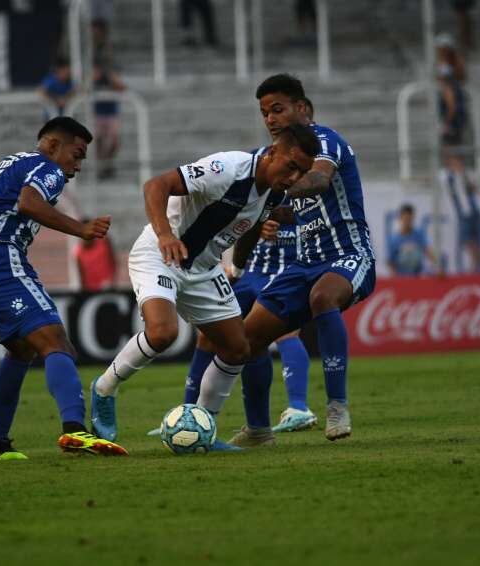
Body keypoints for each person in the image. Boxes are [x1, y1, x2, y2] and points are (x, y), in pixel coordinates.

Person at [88, 124, 321, 449]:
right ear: (271, 152)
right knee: (162, 333)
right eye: (291, 166)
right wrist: (165, 234)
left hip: (203, 269)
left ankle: (202, 429)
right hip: (161, 253)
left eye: (303, 172)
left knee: (238, 348)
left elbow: (251, 229)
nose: (295, 177)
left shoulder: (276, 192)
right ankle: (104, 387)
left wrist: (237, 268)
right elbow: (157, 185)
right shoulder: (228, 168)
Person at [0, 116, 128, 459]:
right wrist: (81, 229)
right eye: (77, 154)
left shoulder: (4, 168)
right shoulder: (46, 167)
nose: (78, 166)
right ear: (54, 145)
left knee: (22, 349)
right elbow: (28, 204)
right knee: (55, 341)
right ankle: (75, 431)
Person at [227, 74, 376, 447]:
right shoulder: (276, 159)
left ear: (303, 109)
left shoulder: (326, 140)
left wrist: (276, 191)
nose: (270, 119)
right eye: (264, 113)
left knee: (323, 298)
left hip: (349, 256)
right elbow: (261, 218)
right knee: (249, 337)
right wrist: (240, 264)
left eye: (278, 109)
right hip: (301, 267)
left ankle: (337, 406)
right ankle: (259, 430)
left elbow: (320, 180)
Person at [440, 153, 480, 272]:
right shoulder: (446, 175)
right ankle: (479, 263)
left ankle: (478, 264)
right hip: (462, 213)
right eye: (454, 163)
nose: (458, 165)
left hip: (474, 210)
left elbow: (475, 190)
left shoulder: (466, 174)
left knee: (475, 240)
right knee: (467, 240)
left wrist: (467, 181)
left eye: (459, 162)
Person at [92, 61, 125, 180]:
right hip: (98, 115)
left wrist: (113, 79)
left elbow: (122, 88)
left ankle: (108, 163)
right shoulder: (91, 80)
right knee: (98, 141)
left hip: (111, 114)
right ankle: (101, 166)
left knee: (114, 142)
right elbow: (82, 90)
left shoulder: (110, 78)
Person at [387, 204, 440, 277]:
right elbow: (390, 261)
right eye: (405, 219)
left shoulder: (419, 235)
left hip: (418, 277)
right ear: (400, 218)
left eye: (410, 219)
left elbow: (428, 250)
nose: (407, 222)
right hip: (401, 278)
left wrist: (438, 267)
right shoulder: (394, 239)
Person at [73, 218, 116, 291]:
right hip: (90, 289)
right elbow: (81, 275)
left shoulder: (104, 241)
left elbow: (112, 259)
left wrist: (112, 278)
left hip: (107, 285)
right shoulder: (78, 252)